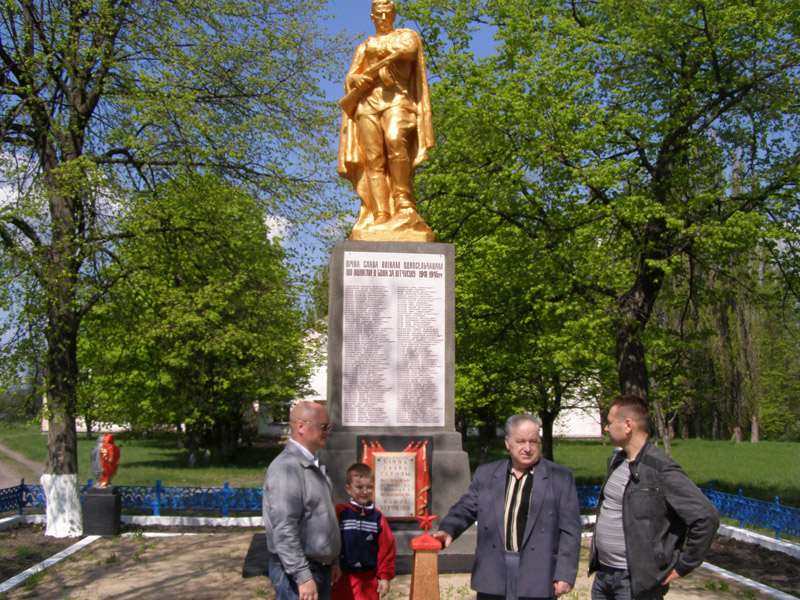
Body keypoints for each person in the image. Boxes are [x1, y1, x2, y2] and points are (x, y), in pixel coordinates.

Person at [433, 414, 581, 600]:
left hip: (537, 573)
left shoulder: (560, 477)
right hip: (494, 572)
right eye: (520, 442)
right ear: (507, 442)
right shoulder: (486, 474)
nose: (527, 448)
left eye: (533, 442)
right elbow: (466, 507)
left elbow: (570, 530)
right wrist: (448, 529)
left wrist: (565, 574)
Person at [589, 394, 720, 600]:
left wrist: (683, 566)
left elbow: (706, 516)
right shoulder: (618, 461)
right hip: (604, 576)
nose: (606, 428)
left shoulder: (661, 470)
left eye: (609, 423)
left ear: (628, 425)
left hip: (636, 582)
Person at [337, 0, 435, 241]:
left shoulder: (404, 37)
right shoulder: (365, 46)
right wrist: (357, 80)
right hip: (367, 103)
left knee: (396, 141)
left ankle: (403, 203)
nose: (383, 17)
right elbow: (351, 77)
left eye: (387, 13)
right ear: (372, 17)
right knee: (372, 157)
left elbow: (411, 52)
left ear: (393, 15)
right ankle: (380, 211)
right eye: (378, 14)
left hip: (397, 99)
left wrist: (386, 58)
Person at [263, 401, 341, 600]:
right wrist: (303, 576)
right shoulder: (287, 468)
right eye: (323, 427)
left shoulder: (312, 464)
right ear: (300, 427)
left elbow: (321, 518)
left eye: (328, 427)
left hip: (318, 568)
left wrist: (332, 561)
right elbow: (284, 527)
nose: (327, 432)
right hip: (299, 572)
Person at [332, 463, 396, 600]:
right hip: (343, 577)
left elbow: (387, 547)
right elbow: (330, 540)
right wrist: (333, 564)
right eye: (359, 487)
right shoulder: (340, 512)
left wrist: (384, 576)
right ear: (348, 489)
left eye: (369, 487)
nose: (365, 491)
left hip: (368, 579)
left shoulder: (377, 517)